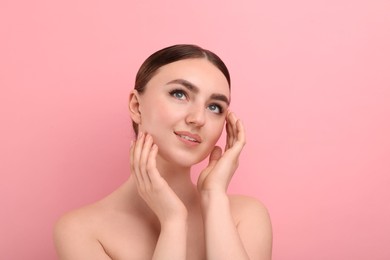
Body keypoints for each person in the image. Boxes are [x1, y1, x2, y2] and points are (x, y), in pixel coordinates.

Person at [54, 44, 272, 260]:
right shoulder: (81, 231)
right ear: (136, 106)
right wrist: (173, 222)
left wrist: (213, 196)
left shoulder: (245, 216)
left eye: (214, 107)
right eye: (179, 94)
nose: (198, 118)